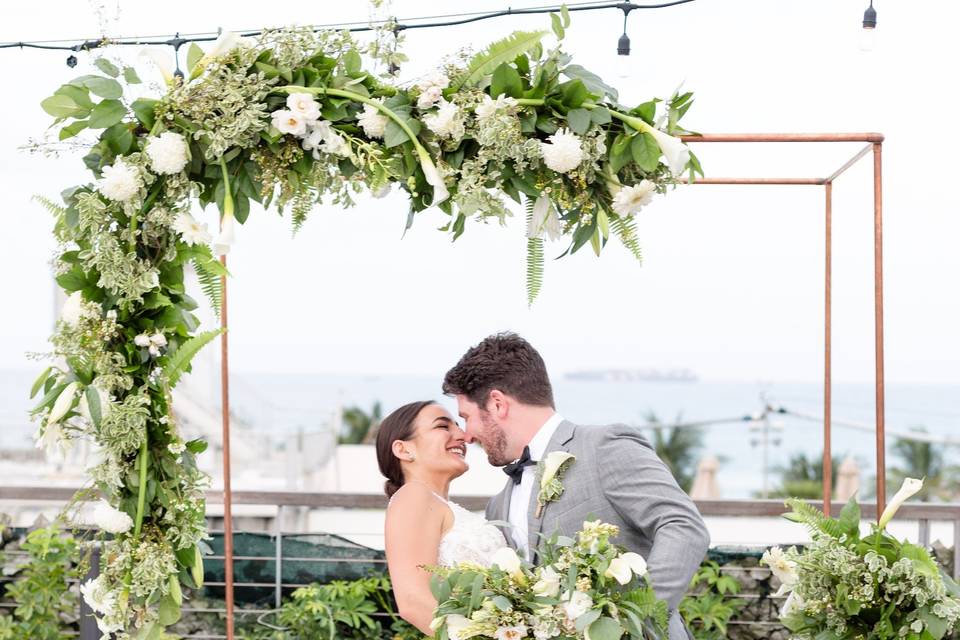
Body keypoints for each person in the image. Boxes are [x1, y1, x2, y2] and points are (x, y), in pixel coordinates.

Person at [442, 332, 711, 640]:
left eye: (466, 417)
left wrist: (636, 619)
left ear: (498, 404)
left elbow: (683, 525)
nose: (467, 435)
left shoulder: (604, 447)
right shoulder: (499, 504)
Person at [376, 400, 508, 635]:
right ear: (403, 449)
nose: (463, 435)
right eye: (443, 427)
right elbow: (412, 601)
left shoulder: (437, 505)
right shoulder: (413, 496)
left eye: (458, 425)